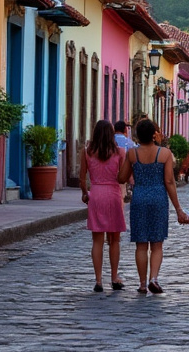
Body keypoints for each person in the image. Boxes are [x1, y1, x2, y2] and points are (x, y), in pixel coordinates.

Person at [117, 118, 189, 294]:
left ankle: (142, 284)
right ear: (153, 134)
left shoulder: (132, 154)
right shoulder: (164, 154)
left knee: (141, 244)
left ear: (137, 135)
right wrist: (178, 208)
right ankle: (154, 278)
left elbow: (121, 178)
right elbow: (169, 181)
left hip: (140, 198)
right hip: (158, 198)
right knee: (157, 244)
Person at [81, 120, 127, 292]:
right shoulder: (120, 152)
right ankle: (114, 277)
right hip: (114, 195)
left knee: (97, 240)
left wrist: (85, 193)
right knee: (114, 240)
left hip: (96, 194)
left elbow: (81, 178)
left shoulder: (87, 152)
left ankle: (98, 280)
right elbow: (122, 177)